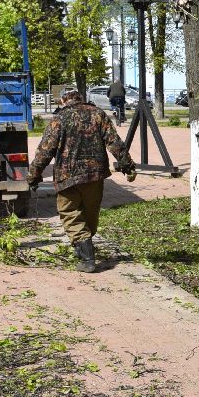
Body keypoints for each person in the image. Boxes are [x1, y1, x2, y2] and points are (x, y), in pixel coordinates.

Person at [26, 89, 137, 273]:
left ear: (63, 101)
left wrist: (33, 176)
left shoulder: (59, 119)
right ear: (81, 98)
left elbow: (45, 151)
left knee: (70, 212)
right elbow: (114, 142)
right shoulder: (98, 114)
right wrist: (127, 165)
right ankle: (83, 246)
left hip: (67, 177)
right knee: (90, 213)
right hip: (95, 175)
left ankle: (87, 258)